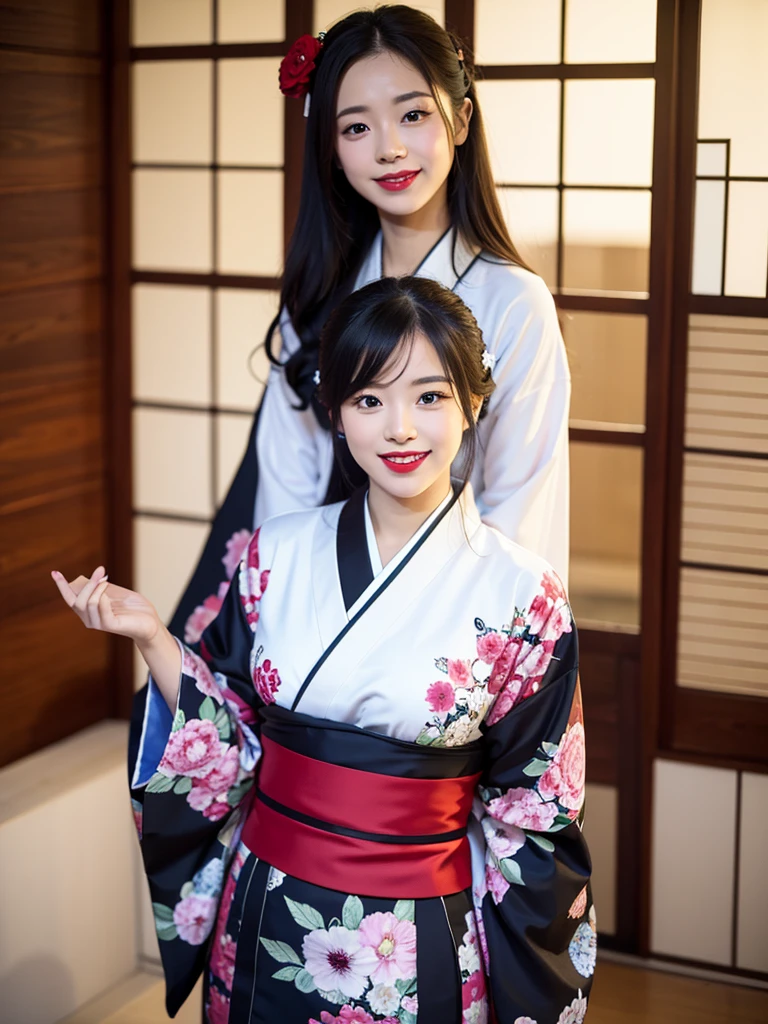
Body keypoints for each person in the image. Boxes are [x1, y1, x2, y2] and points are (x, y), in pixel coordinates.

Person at [54, 278, 593, 1024]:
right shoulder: (275, 552)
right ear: (337, 414)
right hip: (266, 911)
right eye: (370, 400)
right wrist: (153, 637)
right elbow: (229, 734)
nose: (400, 427)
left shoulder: (525, 594)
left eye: (430, 397)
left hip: (418, 934)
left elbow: (531, 811)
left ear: (474, 404)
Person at [168, 4, 571, 651]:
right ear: (330, 145)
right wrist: (288, 610)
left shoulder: (514, 300)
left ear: (461, 118)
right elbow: (286, 482)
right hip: (323, 591)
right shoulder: (323, 289)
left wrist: (465, 651)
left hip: (453, 617)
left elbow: (519, 504)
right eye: (356, 127)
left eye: (413, 114)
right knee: (197, 711)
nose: (388, 148)